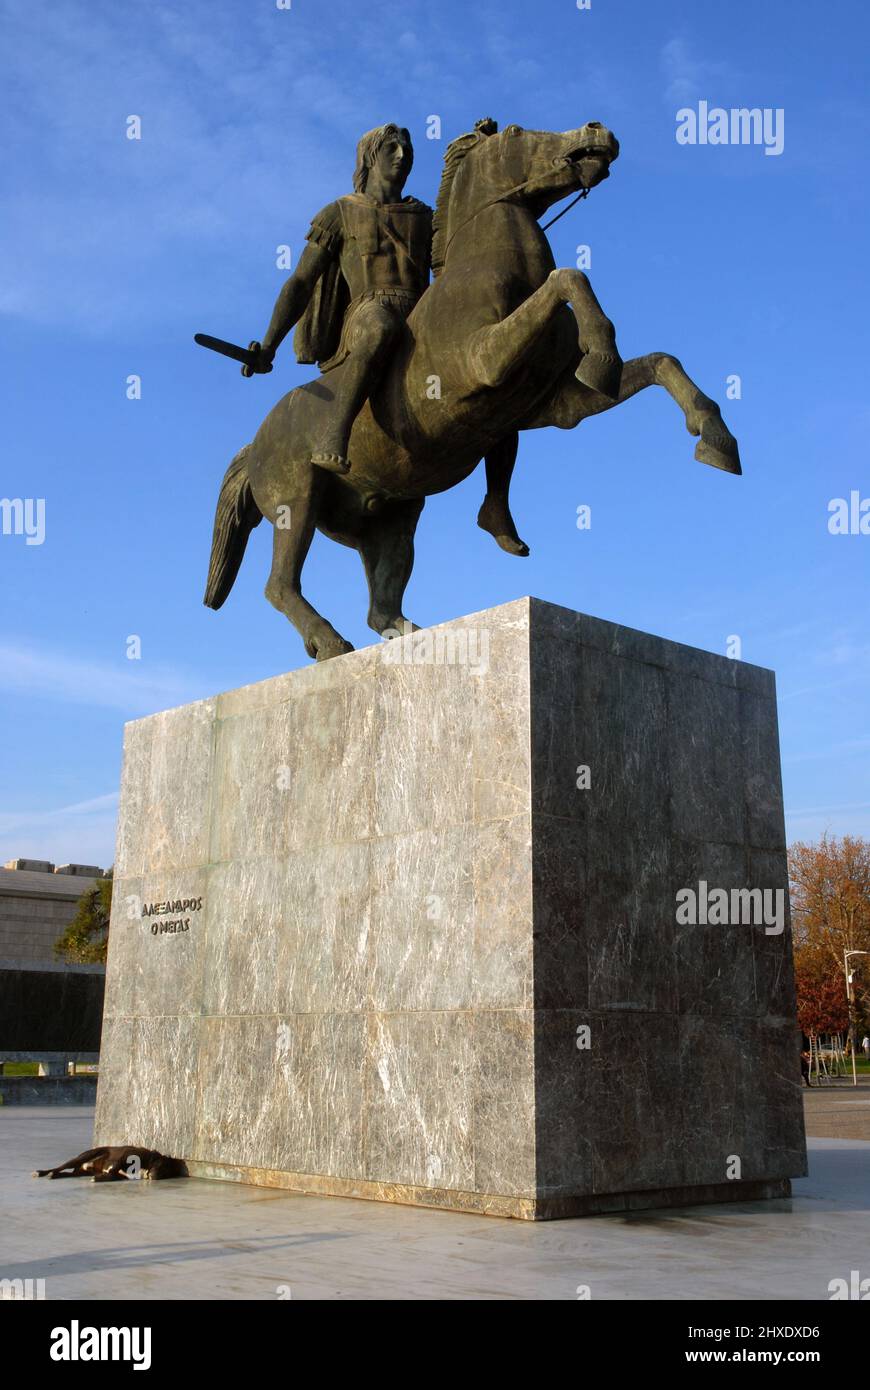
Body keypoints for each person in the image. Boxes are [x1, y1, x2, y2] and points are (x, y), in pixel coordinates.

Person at [244, 124, 433, 475]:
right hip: (367, 312)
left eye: (407, 149)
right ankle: (334, 433)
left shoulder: (425, 217)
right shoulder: (340, 213)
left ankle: (497, 500)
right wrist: (269, 345)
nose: (403, 156)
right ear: (370, 157)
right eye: (391, 148)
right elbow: (301, 281)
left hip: (419, 312)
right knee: (379, 327)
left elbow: (456, 265)